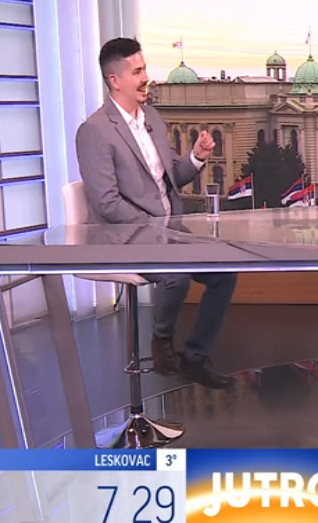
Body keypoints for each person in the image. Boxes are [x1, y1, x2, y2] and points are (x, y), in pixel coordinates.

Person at [76, 37, 237, 390]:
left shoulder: (151, 117)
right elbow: (106, 203)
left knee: (225, 272)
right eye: (137, 71)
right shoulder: (95, 131)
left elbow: (171, 177)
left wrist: (196, 157)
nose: (145, 77)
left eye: (144, 69)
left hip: (168, 231)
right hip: (127, 236)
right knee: (175, 276)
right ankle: (161, 341)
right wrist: (154, 231)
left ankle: (194, 357)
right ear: (115, 80)